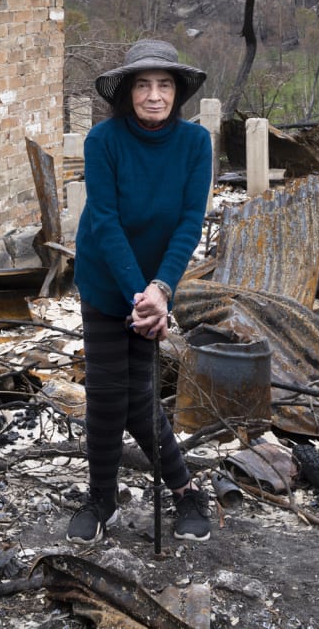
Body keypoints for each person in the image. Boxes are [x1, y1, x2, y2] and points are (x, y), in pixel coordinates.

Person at [67, 38, 214, 544]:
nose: (154, 95)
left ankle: (185, 491)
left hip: (156, 286)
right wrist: (139, 294)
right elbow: (104, 222)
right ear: (127, 92)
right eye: (144, 85)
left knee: (140, 399)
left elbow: (189, 223)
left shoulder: (196, 145)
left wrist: (162, 289)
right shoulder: (103, 141)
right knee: (108, 399)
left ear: (178, 92)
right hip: (108, 283)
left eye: (165, 84)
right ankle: (101, 500)